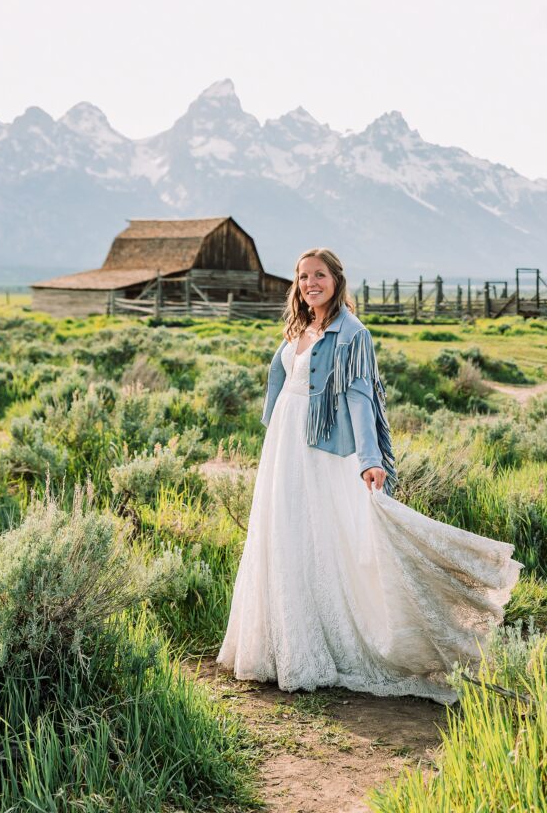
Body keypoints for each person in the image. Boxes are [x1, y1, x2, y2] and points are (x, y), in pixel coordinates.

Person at [216, 248, 523, 703]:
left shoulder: (352, 333)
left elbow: (361, 397)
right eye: (303, 277)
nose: (309, 284)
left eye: (318, 276)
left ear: (337, 281)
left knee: (324, 539)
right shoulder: (299, 326)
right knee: (284, 536)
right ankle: (277, 642)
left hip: (320, 451)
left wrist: (369, 458)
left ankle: (337, 643)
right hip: (284, 445)